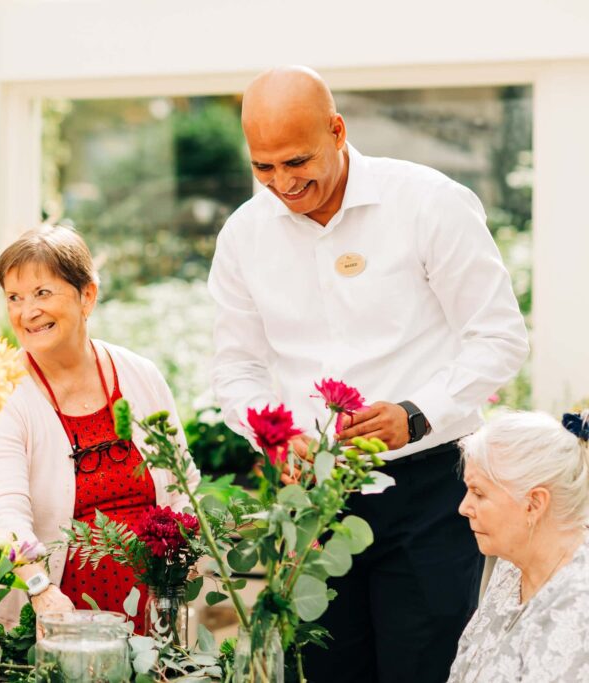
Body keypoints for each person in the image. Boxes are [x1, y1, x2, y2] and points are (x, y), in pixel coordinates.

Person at [208, 66, 529, 682]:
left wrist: (415, 414)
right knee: (327, 671)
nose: (283, 183)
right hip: (312, 503)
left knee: (424, 668)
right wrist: (274, 438)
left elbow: (499, 336)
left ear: (337, 130)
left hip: (430, 492)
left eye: (297, 160)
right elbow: (237, 367)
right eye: (264, 167)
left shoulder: (429, 202)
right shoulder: (243, 236)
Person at [0, 225, 201, 630]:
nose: (27, 312)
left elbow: (183, 488)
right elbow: (1, 512)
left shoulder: (140, 375)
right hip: (57, 618)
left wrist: (185, 566)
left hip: (154, 614)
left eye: (43, 293)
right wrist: (40, 589)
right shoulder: (0, 393)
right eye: (14, 298)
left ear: (87, 296)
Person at [448, 410, 589, 682]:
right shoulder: (512, 565)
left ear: (534, 503)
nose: (463, 508)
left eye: (479, 493)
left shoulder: (579, 604)